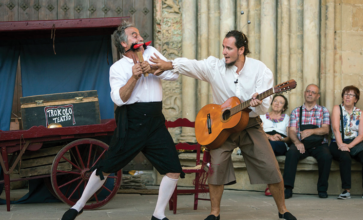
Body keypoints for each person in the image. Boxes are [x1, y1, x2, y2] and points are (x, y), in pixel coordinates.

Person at [150, 30, 296, 220]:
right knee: (216, 168)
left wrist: (257, 103)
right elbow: (191, 65)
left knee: (271, 166)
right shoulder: (214, 66)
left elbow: (264, 107)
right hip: (220, 128)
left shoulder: (260, 70)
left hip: (249, 124)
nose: (224, 52)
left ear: (241, 49)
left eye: (229, 48)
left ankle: (283, 210)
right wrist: (168, 64)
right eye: (223, 47)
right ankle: (214, 213)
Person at [61, 21, 183, 220]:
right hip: (132, 121)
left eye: (139, 34)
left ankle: (158, 214)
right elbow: (119, 98)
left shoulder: (152, 52)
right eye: (134, 35)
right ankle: (79, 205)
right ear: (124, 44)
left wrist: (153, 69)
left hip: (155, 121)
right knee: (107, 167)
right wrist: (134, 77)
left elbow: (174, 74)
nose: (140, 38)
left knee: (173, 169)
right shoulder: (117, 68)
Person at [283, 84, 332, 199]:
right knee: (291, 153)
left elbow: (326, 129)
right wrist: (297, 143)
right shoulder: (296, 111)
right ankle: (288, 188)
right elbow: (292, 131)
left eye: (313, 92)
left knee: (326, 157)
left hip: (319, 144)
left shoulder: (323, 110)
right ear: (305, 93)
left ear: (318, 96)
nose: (310, 94)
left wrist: (312, 131)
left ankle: (322, 189)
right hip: (302, 144)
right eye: (308, 91)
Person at [330, 85, 363, 200]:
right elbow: (336, 129)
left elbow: (362, 135)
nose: (348, 97)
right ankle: (346, 191)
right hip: (337, 141)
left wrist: (349, 146)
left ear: (356, 99)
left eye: (351, 95)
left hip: (355, 143)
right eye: (346, 94)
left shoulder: (360, 113)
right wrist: (341, 145)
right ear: (342, 97)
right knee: (345, 157)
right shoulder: (337, 109)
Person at [260, 94, 290, 196]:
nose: (277, 104)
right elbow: (258, 132)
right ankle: (274, 182)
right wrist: (270, 137)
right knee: (268, 146)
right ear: (271, 103)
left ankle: (271, 183)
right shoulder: (262, 116)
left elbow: (289, 138)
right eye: (275, 101)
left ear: (284, 108)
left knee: (270, 147)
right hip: (265, 141)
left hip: (280, 143)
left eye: (281, 102)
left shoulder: (287, 118)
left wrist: (281, 138)